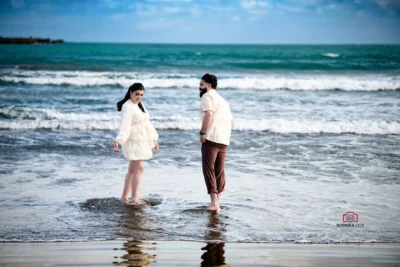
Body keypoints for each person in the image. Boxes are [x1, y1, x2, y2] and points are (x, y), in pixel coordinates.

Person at [113, 83, 159, 205]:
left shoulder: (139, 104)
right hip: (132, 140)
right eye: (137, 94)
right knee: (139, 167)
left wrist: (153, 139)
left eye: (141, 95)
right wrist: (118, 140)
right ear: (130, 93)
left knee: (132, 169)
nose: (139, 97)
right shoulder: (127, 106)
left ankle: (124, 197)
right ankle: (134, 198)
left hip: (142, 139)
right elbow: (124, 125)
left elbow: (146, 123)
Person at [199, 73, 234, 212]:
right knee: (219, 170)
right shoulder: (222, 100)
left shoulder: (207, 96)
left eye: (201, 84)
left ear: (209, 85)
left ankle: (214, 204)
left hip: (212, 137)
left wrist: (202, 133)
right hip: (224, 139)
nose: (199, 86)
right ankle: (217, 202)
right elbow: (232, 123)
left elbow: (209, 114)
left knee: (208, 169)